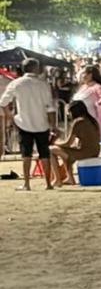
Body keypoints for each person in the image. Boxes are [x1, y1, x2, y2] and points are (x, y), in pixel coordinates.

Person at [0, 58, 55, 190]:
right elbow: (50, 108)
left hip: (23, 122)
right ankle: (48, 183)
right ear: (36, 68)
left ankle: (26, 184)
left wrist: (11, 117)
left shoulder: (16, 83)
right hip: (42, 123)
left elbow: (3, 102)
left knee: (26, 154)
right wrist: (52, 125)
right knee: (44, 154)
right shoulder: (43, 84)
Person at [49, 100, 101, 186]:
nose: (69, 115)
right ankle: (70, 178)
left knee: (50, 150)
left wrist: (55, 143)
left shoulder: (78, 122)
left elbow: (68, 143)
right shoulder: (92, 120)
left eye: (69, 112)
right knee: (63, 152)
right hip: (95, 151)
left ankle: (57, 179)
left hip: (85, 153)